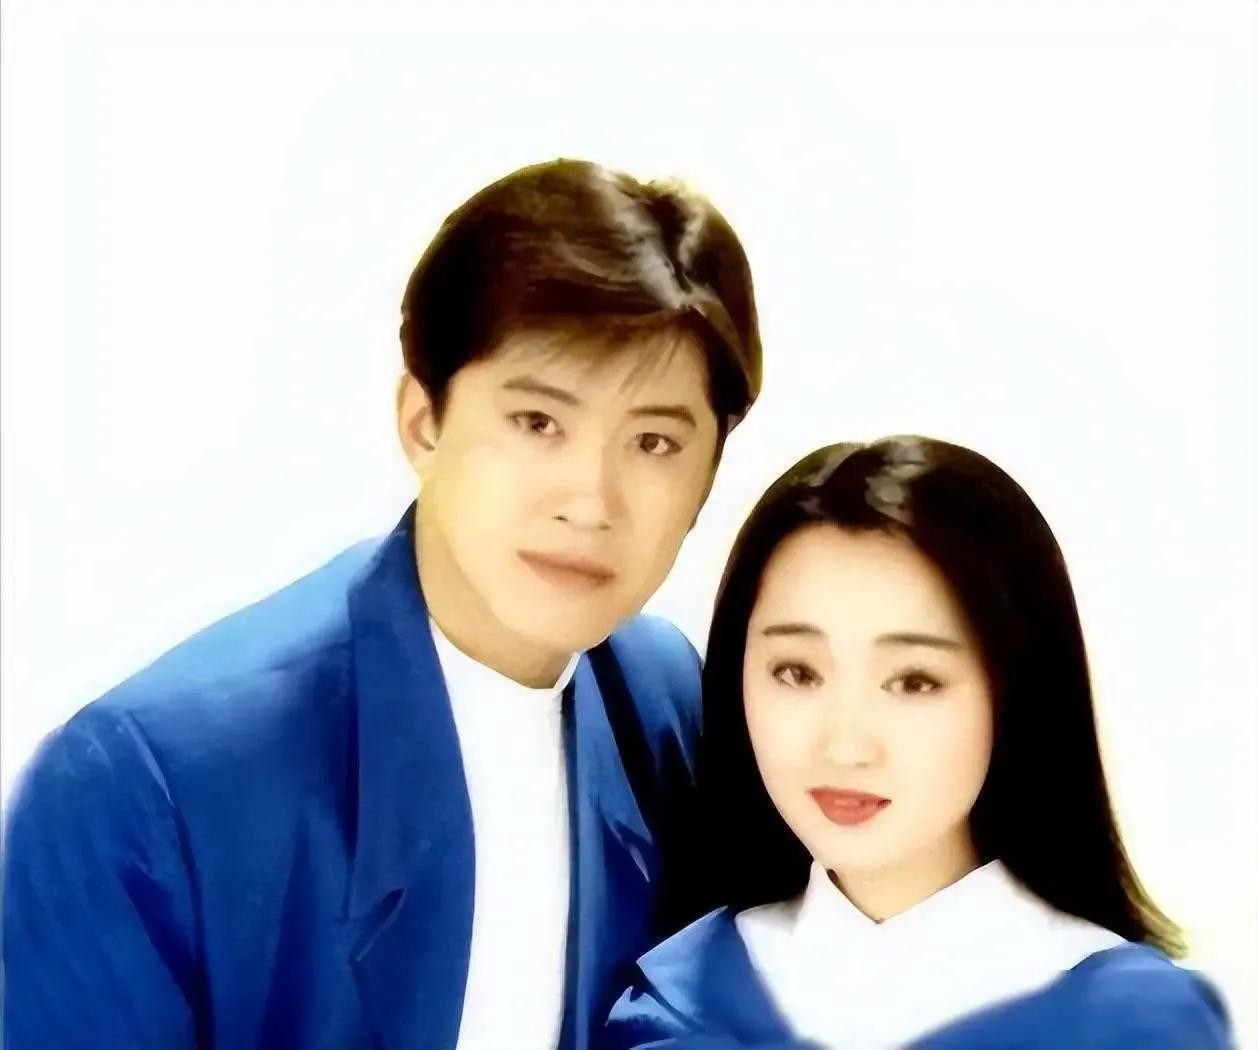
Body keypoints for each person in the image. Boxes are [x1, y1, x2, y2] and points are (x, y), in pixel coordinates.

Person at [3, 158, 762, 1050]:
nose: (590, 501)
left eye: (654, 442)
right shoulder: (145, 780)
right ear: (423, 422)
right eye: (537, 423)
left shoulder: (666, 702)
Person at [604, 437, 1232, 1049]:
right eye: (797, 672)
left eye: (914, 681)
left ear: (1017, 688)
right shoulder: (676, 1004)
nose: (845, 746)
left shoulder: (1130, 1024)